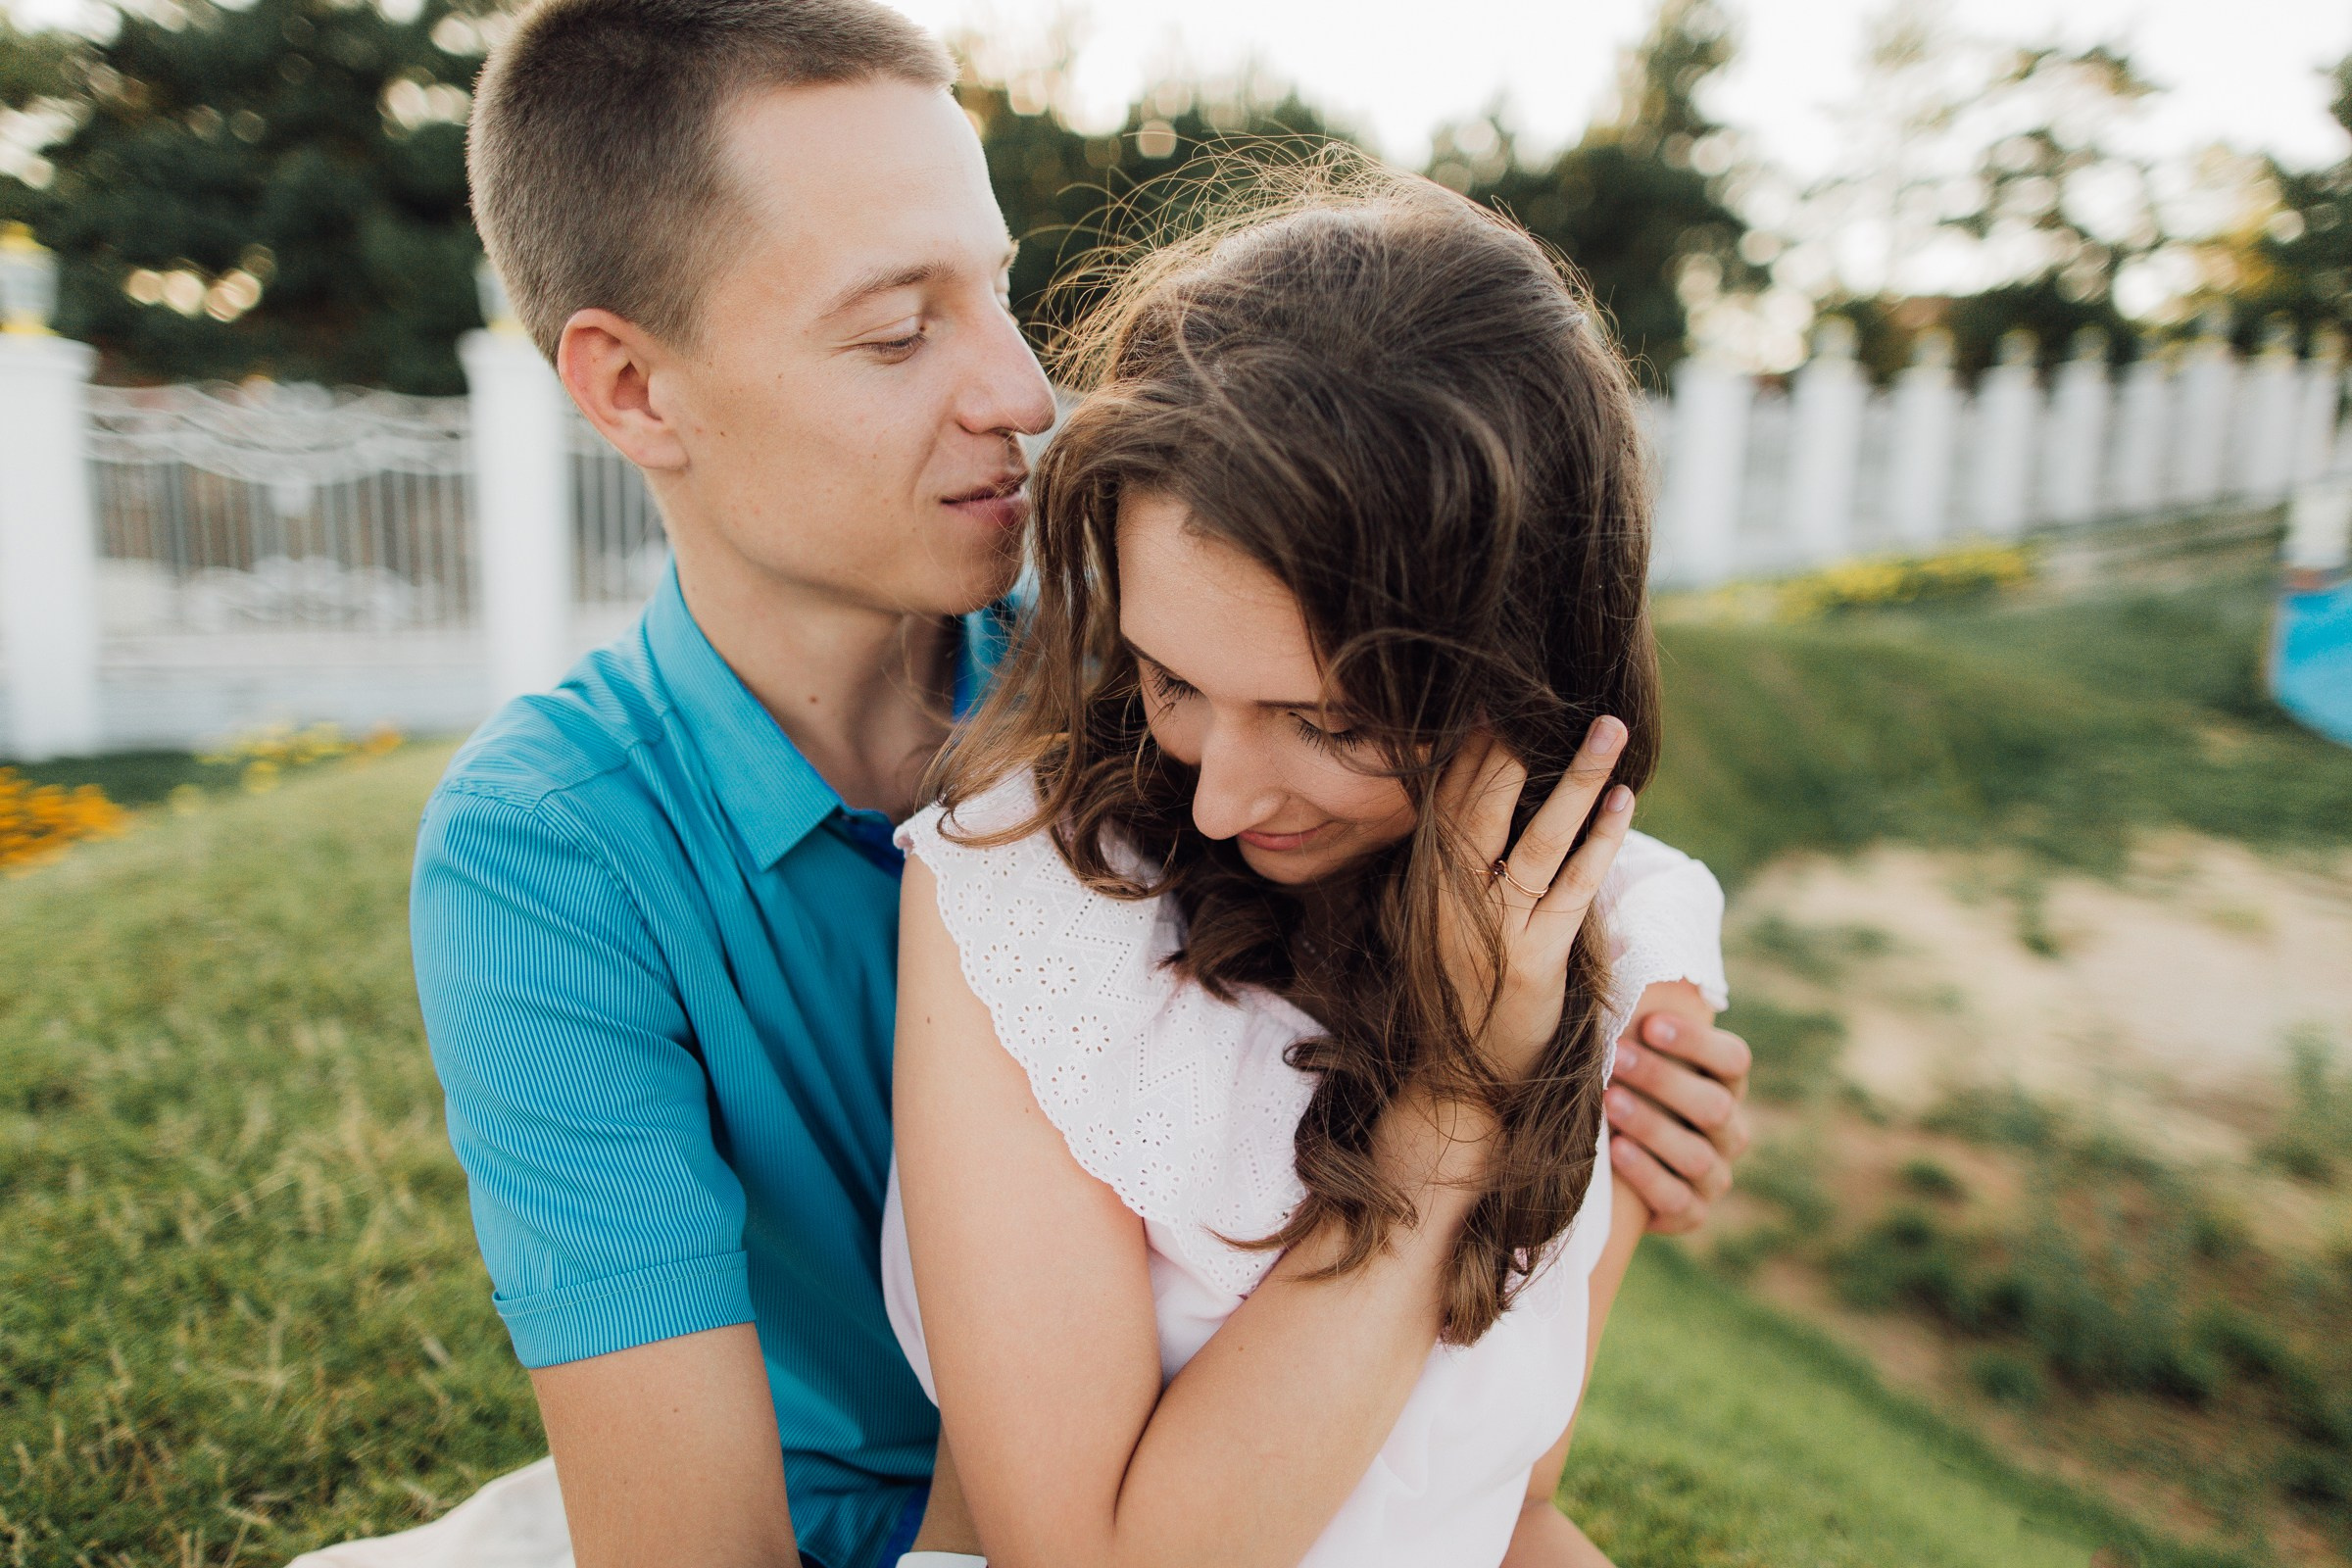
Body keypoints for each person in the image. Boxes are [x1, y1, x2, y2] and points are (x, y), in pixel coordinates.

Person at [389, 3, 1755, 1566]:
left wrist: (1598, 1107)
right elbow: (694, 1549)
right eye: (898, 332)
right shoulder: (548, 851)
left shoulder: (1180, 666)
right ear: (634, 389)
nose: (1026, 394)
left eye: (1001, 292)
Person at [882, 169, 1722, 1568]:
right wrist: (1456, 1104)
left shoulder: (1627, 929)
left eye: (1329, 724)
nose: (1217, 800)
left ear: (1526, 678)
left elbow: (1493, 1497)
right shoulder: (1031, 900)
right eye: (1170, 678)